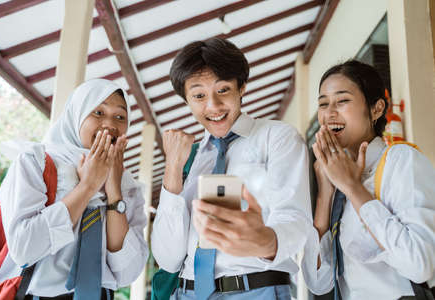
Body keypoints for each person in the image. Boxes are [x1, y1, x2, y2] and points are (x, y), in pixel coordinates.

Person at [151, 37, 312, 300]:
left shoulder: (277, 138)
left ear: (242, 88)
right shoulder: (189, 159)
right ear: (186, 100)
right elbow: (168, 259)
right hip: (187, 293)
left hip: (255, 290)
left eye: (223, 90)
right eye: (199, 95)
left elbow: (295, 218)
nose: (213, 106)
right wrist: (172, 169)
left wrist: (265, 240)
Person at [0, 79, 148, 299]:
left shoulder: (127, 187)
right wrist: (88, 187)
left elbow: (126, 274)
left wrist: (114, 190)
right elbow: (24, 249)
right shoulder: (35, 163)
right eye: (98, 112)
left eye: (120, 117)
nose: (110, 124)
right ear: (76, 114)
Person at [301, 60, 435, 299]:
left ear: (376, 109)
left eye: (342, 101)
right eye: (323, 104)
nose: (329, 113)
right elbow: (318, 283)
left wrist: (353, 188)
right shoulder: (334, 180)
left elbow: (420, 264)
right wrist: (325, 192)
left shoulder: (400, 160)